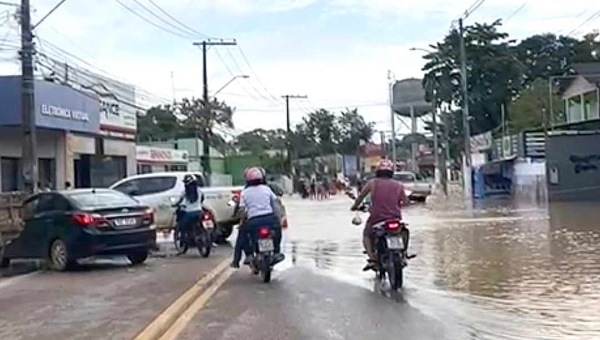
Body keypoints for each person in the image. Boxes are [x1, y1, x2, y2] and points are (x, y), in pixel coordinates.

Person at [350, 159, 409, 271]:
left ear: (377, 172)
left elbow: (361, 197)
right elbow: (406, 202)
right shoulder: (399, 185)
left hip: (377, 218)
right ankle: (404, 253)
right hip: (395, 218)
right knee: (405, 231)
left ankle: (372, 259)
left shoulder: (372, 183)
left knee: (367, 234)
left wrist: (354, 206)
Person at [231, 167, 284, 268]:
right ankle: (277, 251)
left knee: (242, 236)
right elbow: (276, 205)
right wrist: (279, 218)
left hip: (253, 221)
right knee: (278, 231)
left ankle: (241, 258)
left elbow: (242, 210)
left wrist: (243, 221)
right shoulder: (267, 189)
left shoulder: (245, 192)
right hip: (269, 219)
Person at [173, 175, 203, 251]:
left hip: (189, 213)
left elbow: (179, 201)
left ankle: (183, 241)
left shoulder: (185, 192)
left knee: (182, 225)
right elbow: (202, 199)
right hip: (199, 212)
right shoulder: (199, 191)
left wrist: (175, 205)